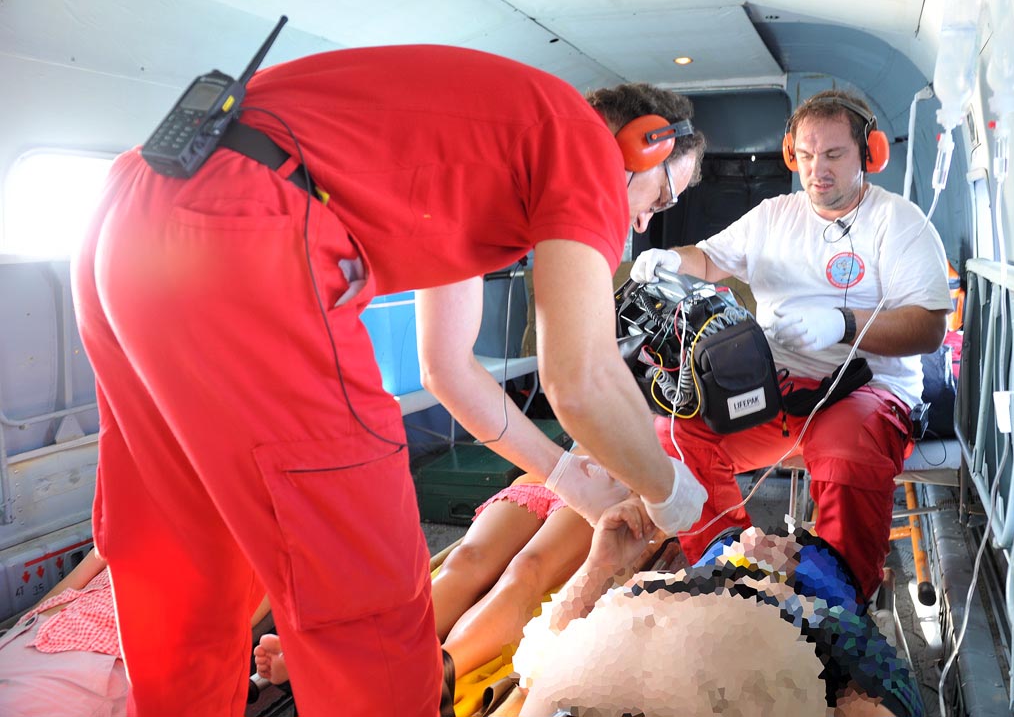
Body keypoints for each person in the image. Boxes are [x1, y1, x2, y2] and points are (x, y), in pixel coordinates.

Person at [72, 44, 710, 716]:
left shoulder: (495, 151)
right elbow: (581, 376)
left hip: (132, 214)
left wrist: (563, 476)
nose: (646, 221)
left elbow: (447, 367)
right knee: (362, 576)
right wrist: (670, 492)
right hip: (246, 229)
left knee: (185, 551)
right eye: (663, 195)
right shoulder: (585, 145)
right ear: (644, 143)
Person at [629, 89, 951, 600]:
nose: (817, 170)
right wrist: (670, 259)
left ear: (869, 153)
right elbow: (708, 259)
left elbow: (928, 328)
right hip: (775, 390)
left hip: (865, 390)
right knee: (677, 432)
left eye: (834, 154)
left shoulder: (900, 222)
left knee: (842, 449)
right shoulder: (774, 216)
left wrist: (843, 324)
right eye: (805, 155)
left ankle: (840, 602)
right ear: (790, 154)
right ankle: (730, 572)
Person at [508, 499, 924, 717]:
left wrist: (600, 568)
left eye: (785, 544)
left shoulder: (826, 629)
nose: (759, 536)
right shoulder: (648, 593)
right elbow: (535, 660)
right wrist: (600, 565)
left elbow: (535, 662)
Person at [253, 474, 595, 697]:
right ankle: (340, 658)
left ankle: (435, 672)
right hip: (546, 472)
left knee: (527, 569)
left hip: (604, 488)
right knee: (466, 560)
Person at [0, 548, 270, 717]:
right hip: (35, 635)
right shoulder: (134, 521)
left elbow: (235, 627)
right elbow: (68, 587)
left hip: (100, 657)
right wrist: (24, 625)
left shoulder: (245, 551)